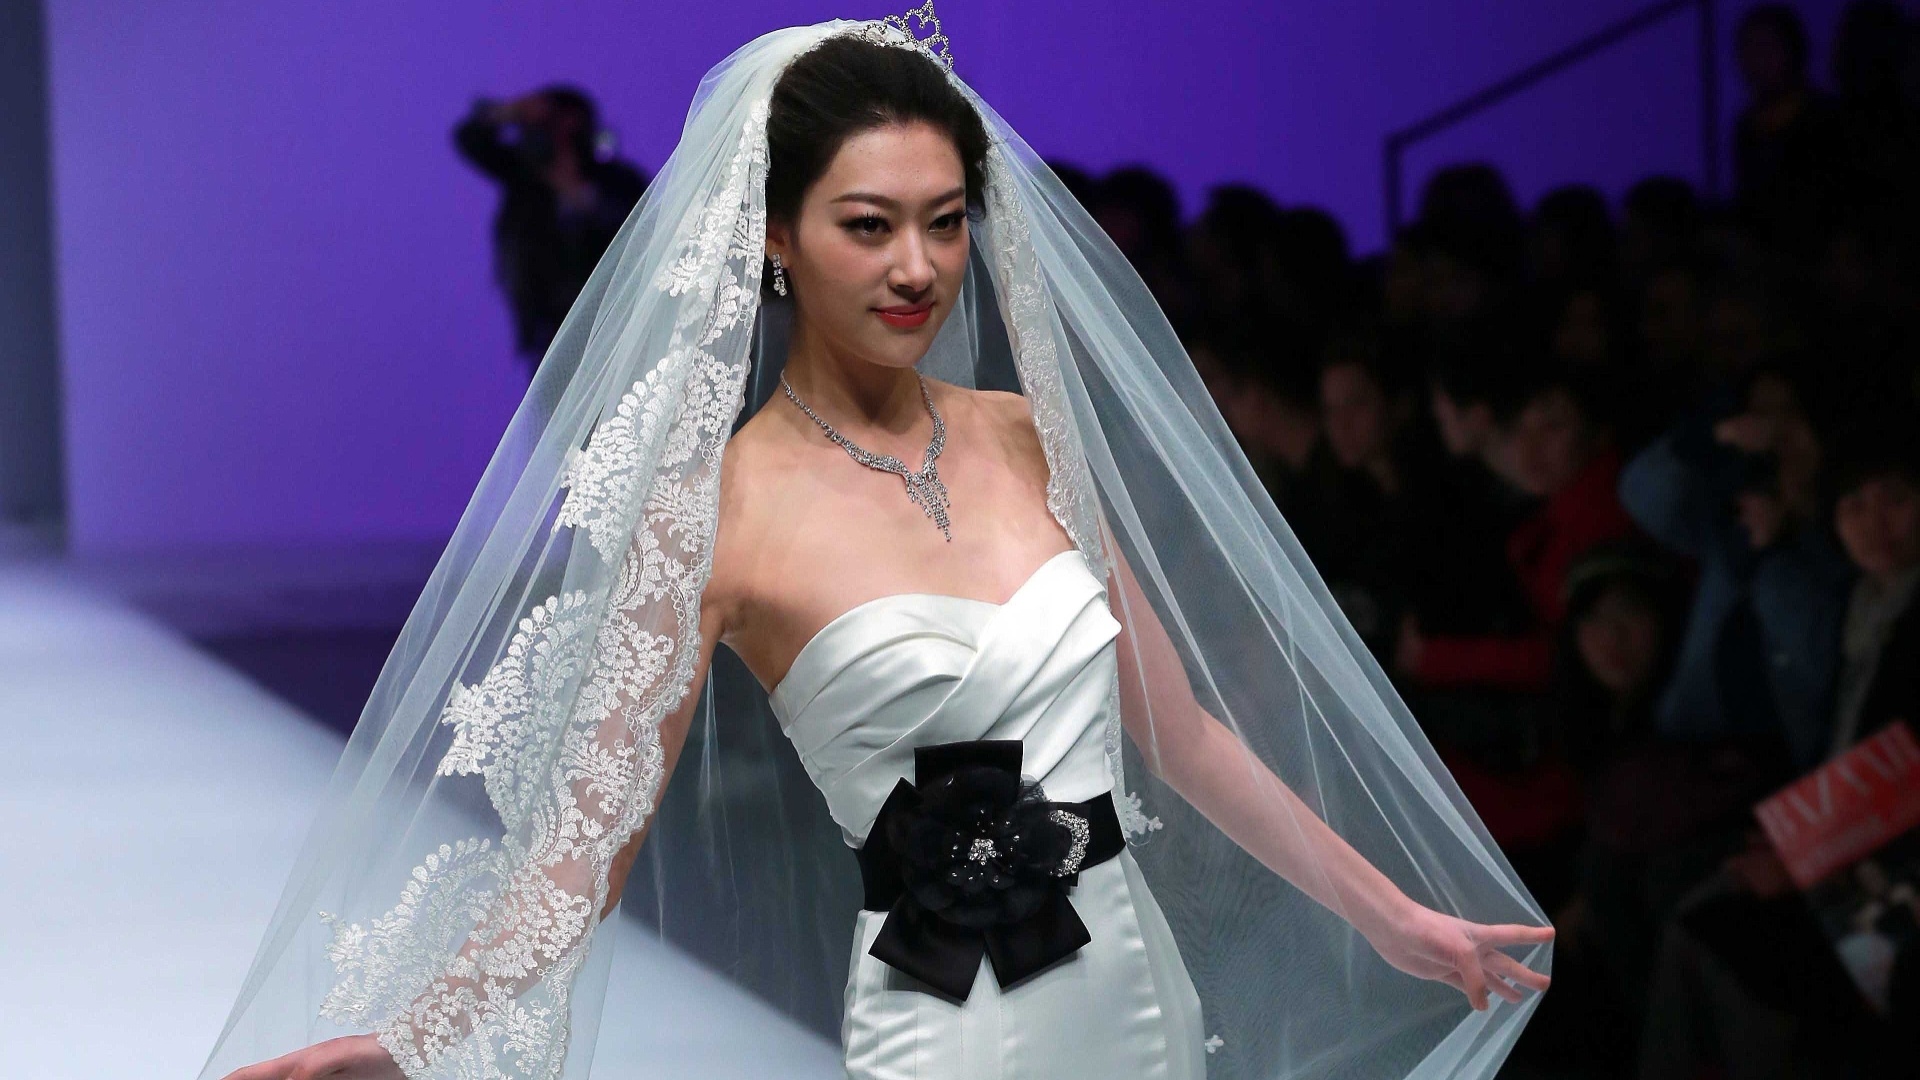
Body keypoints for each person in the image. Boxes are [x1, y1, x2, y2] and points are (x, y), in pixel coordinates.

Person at [202, 11, 1552, 1080]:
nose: (917, 267)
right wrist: (424, 1031)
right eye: (868, 225)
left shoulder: (1033, 438)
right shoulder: (713, 516)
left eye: (945, 220)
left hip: (1141, 1013)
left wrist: (1397, 921)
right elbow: (584, 852)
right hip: (945, 1033)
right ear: (776, 240)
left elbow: (1183, 736)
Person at [453, 86, 649, 374]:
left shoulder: (616, 181)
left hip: (617, 317)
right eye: (548, 125)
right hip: (552, 329)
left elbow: (646, 229)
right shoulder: (526, 181)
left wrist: (585, 200)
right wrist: (513, 111)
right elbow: (469, 139)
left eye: (563, 122)